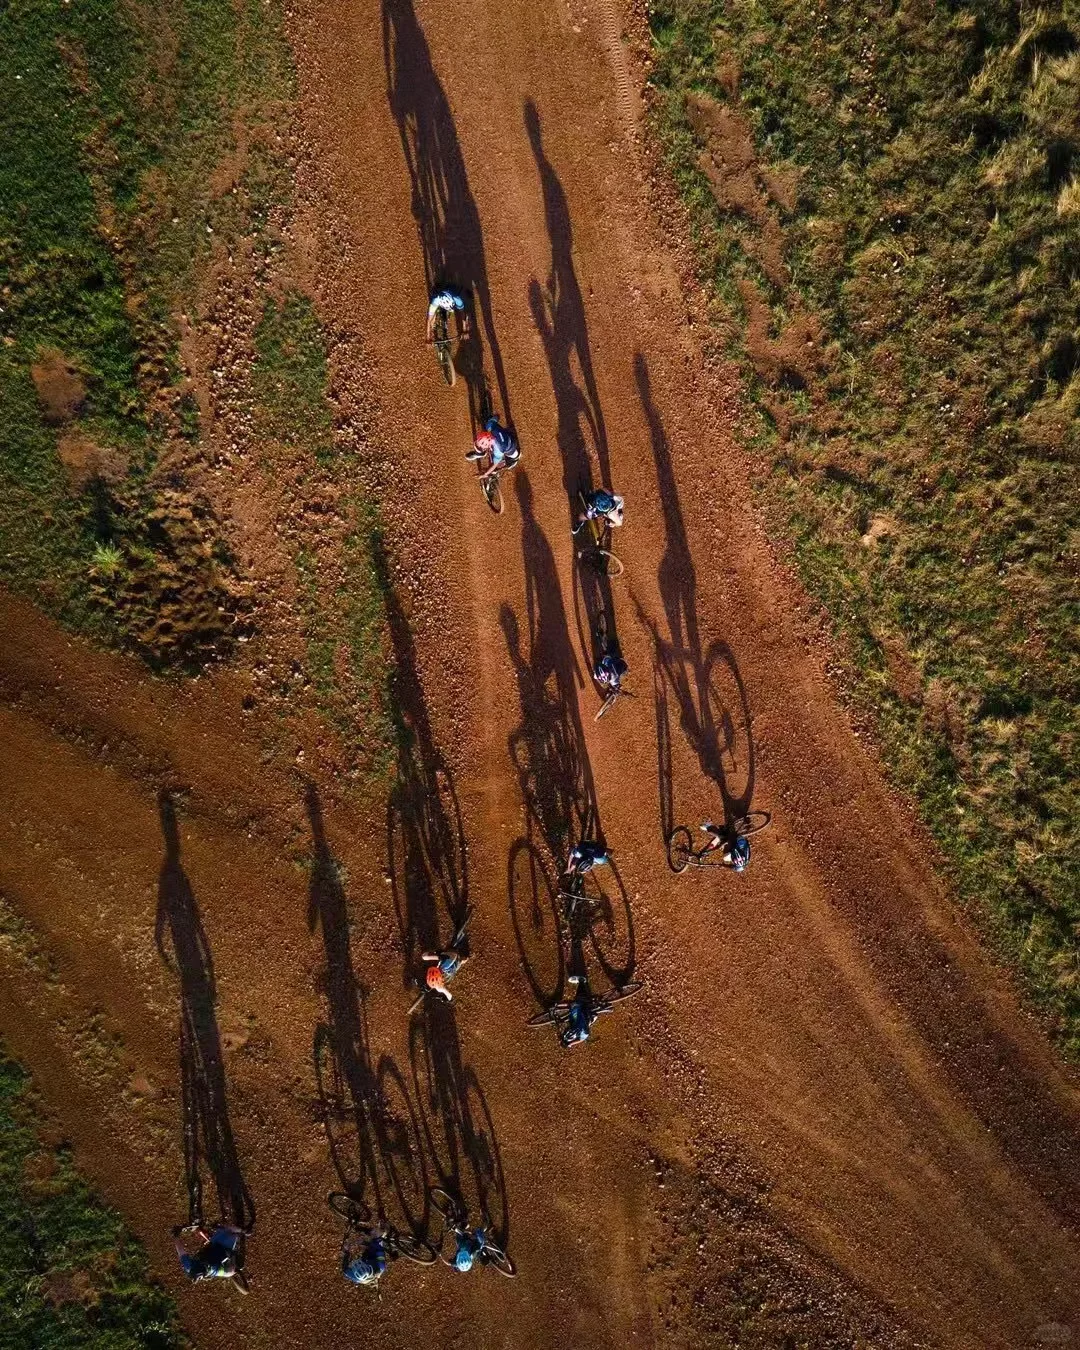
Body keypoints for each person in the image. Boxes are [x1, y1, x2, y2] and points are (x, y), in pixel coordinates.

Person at [173, 1222, 248, 1291]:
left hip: (214, 1245)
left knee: (224, 1230)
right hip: (223, 1249)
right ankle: (244, 1231)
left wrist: (176, 1237)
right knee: (230, 1230)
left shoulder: (189, 1266)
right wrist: (176, 1236)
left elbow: (180, 1250)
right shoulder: (212, 1269)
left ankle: (235, 1231)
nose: (203, 1264)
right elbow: (227, 1272)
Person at [467, 415, 520, 479]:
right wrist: (486, 473)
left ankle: (481, 453)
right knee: (512, 456)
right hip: (508, 436)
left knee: (515, 456)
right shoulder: (490, 425)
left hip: (510, 446)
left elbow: (495, 464)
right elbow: (497, 416)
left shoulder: (498, 449)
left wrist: (486, 474)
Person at [560, 974, 596, 1047]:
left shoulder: (580, 1032)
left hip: (586, 1015)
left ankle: (583, 984)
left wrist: (570, 1044)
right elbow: (572, 1006)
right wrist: (558, 1005)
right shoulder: (579, 1028)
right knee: (579, 1000)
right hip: (584, 1009)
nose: (566, 1029)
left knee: (576, 1006)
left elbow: (580, 1040)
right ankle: (581, 980)